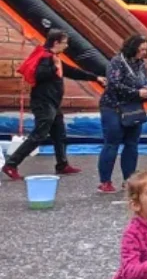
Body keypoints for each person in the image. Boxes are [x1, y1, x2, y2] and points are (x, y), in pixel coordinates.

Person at [4, 29, 105, 180]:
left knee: (60, 135)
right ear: (56, 43)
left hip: (52, 103)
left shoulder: (53, 58)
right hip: (43, 103)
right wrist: (54, 68)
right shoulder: (46, 58)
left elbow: (72, 72)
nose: (66, 45)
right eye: (64, 43)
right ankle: (11, 164)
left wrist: (95, 77)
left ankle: (62, 164)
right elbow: (39, 75)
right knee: (39, 135)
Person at [97, 34, 147, 193]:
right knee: (112, 143)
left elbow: (145, 80)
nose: (144, 53)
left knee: (132, 144)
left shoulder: (141, 64)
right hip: (113, 106)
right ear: (132, 48)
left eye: (145, 50)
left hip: (133, 107)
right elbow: (114, 84)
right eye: (141, 49)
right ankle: (105, 181)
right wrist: (137, 92)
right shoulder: (117, 62)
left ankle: (129, 180)